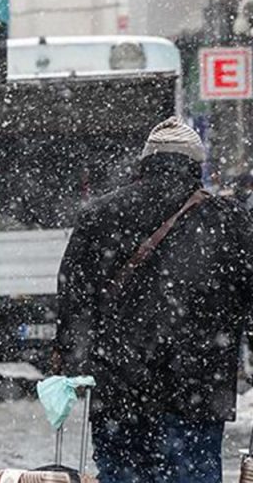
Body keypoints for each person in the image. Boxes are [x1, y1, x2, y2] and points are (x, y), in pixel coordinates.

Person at [55, 117, 253, 483]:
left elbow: (73, 297)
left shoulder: (100, 215)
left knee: (121, 473)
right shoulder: (228, 221)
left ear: (145, 163)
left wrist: (72, 360)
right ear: (196, 167)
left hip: (119, 392)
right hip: (198, 391)